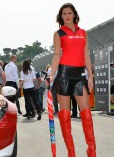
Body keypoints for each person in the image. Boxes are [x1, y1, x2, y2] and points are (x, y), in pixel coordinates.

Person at [50, 3, 96, 156]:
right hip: (64, 75)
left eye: (70, 13)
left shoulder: (83, 32)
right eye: (64, 13)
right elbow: (57, 55)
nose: (67, 16)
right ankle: (71, 153)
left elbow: (86, 55)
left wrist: (90, 75)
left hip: (79, 75)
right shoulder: (59, 33)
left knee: (86, 112)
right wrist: (51, 75)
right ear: (61, 16)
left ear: (74, 14)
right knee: (65, 114)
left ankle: (92, 151)